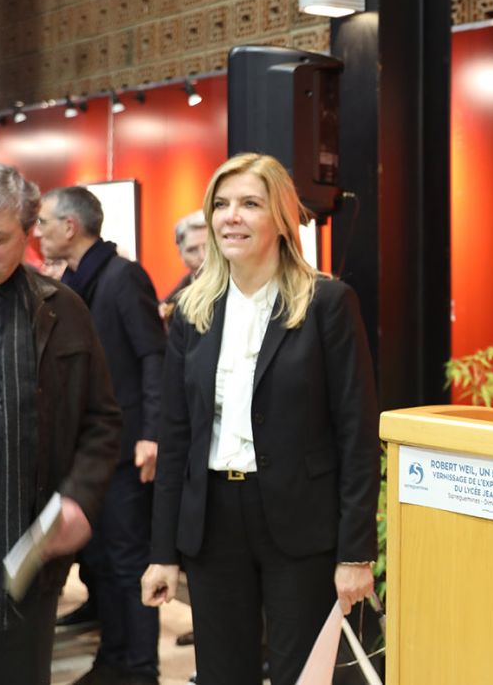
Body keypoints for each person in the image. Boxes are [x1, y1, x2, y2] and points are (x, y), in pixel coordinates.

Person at [141, 153, 380, 684]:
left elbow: (357, 434)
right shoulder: (192, 310)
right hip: (213, 522)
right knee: (224, 673)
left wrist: (356, 553)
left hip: (300, 521)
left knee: (305, 675)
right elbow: (174, 438)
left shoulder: (327, 303)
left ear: (281, 217)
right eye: (221, 205)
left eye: (250, 204)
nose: (231, 217)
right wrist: (162, 552)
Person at [0, 161, 121, 684]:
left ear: (28, 236)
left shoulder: (61, 310)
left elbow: (101, 420)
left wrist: (78, 497)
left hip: (14, 543)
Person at [37, 186, 168, 685]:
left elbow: (152, 355)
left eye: (44, 222)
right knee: (103, 562)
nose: (39, 232)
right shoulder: (75, 281)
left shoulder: (122, 276)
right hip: (92, 453)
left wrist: (152, 432)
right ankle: (113, 660)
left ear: (70, 227)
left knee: (128, 561)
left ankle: (139, 669)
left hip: (128, 448)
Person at [159, 211, 207, 323]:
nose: (203, 256)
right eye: (192, 250)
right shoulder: (171, 306)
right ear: (182, 256)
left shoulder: (240, 289)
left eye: (209, 246)